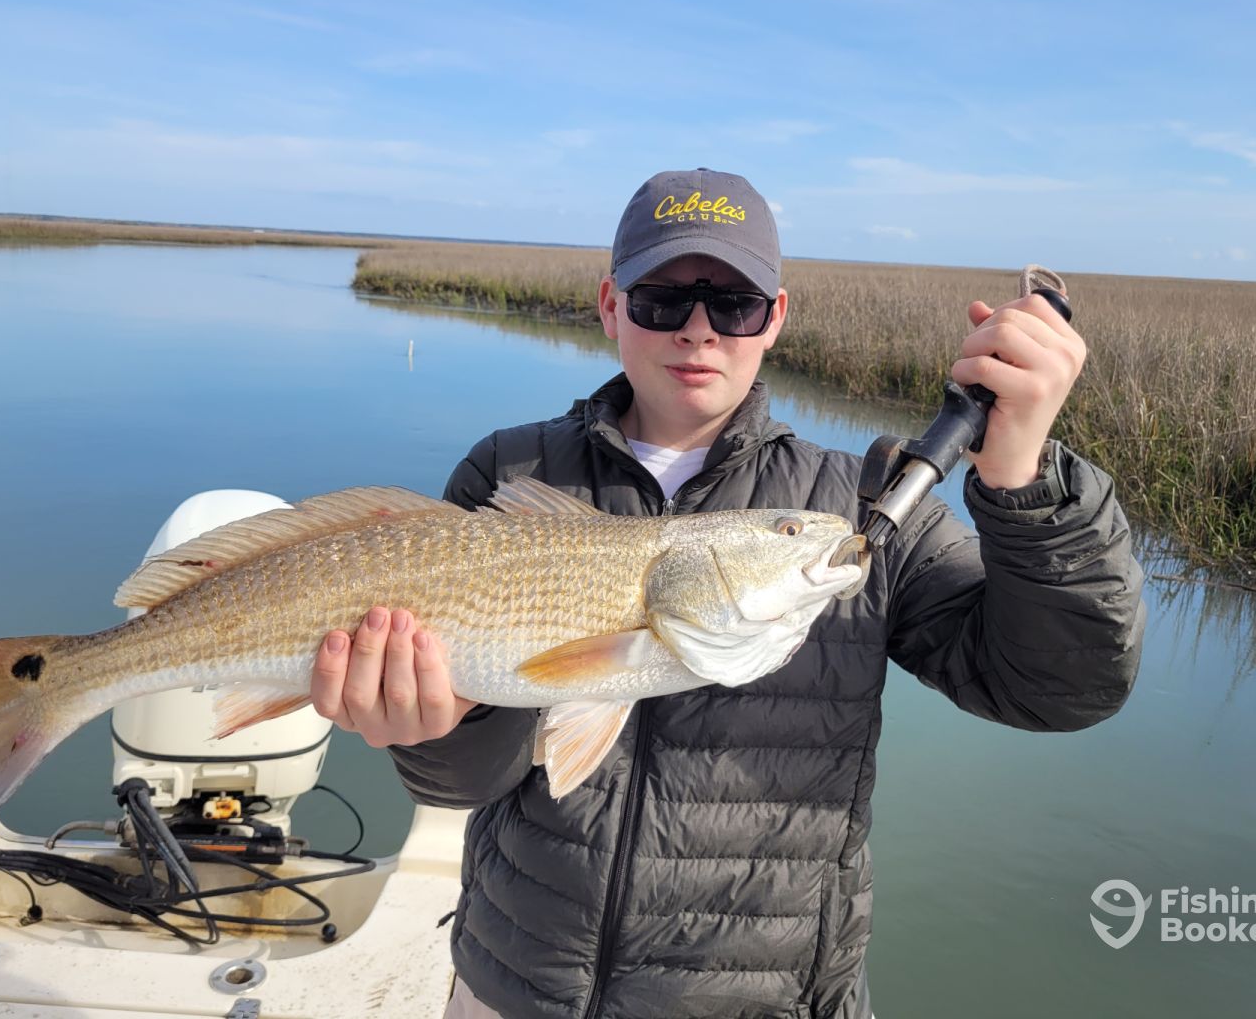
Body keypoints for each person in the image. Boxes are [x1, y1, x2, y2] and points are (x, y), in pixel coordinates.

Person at [308, 168, 1146, 1019]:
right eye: (661, 300)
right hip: (516, 986)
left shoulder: (856, 508)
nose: (698, 329)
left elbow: (1062, 687)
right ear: (610, 306)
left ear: (774, 318)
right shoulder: (510, 470)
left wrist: (1024, 480)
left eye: (735, 305)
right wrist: (430, 724)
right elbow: (463, 781)